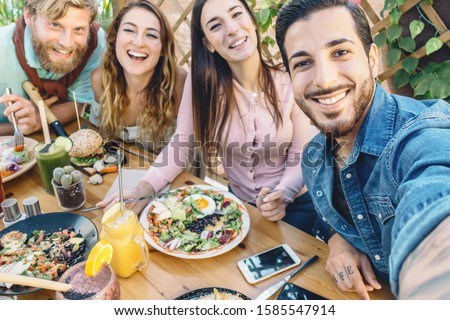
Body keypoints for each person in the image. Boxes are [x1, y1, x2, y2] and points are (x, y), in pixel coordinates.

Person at [98, 0, 323, 237]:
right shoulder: (201, 85)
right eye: (216, 26)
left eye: (237, 15)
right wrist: (144, 189)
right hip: (240, 207)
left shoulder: (290, 79)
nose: (232, 29)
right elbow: (181, 143)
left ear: (253, 22)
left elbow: (302, 153)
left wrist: (283, 194)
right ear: (208, 44)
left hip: (298, 204)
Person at [275, 0, 450, 299]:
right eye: (303, 62)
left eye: (340, 52)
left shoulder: (418, 137)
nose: (324, 80)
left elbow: (435, 196)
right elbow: (334, 218)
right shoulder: (315, 156)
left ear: (372, 59)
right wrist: (337, 241)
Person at [90, 0, 187, 154]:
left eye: (151, 34)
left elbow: (188, 152)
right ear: (115, 38)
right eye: (129, 30)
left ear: (162, 48)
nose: (139, 42)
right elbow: (97, 138)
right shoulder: (100, 79)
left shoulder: (179, 83)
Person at [0, 0, 106, 135]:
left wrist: (38, 120)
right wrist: (19, 128)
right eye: (55, 25)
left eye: (78, 29)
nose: (66, 43)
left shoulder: (95, 44)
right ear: (29, 16)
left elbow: (77, 104)